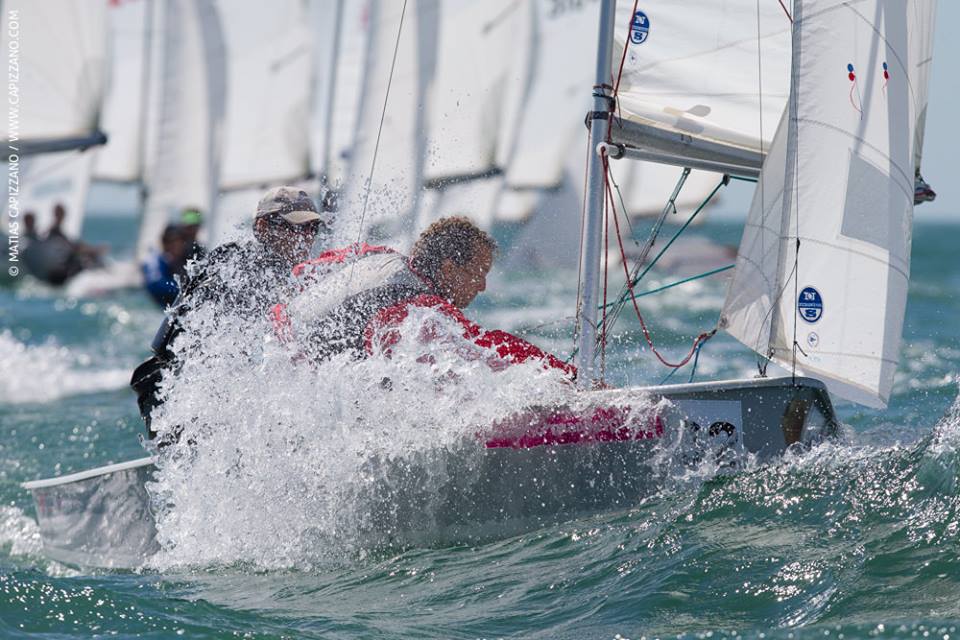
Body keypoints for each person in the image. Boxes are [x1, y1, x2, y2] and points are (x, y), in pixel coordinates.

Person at [130, 186, 329, 440]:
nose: (306, 238)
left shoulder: (285, 274)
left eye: (312, 228)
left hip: (221, 404)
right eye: (296, 228)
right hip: (173, 403)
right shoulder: (235, 269)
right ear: (263, 228)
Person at [286, 216, 574, 377]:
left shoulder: (376, 256)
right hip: (322, 387)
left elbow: (305, 272)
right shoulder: (416, 305)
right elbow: (486, 348)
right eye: (478, 274)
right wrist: (566, 376)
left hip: (290, 356)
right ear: (449, 269)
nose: (482, 287)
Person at [141, 224, 187, 308]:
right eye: (172, 242)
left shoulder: (182, 260)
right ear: (164, 242)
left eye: (180, 242)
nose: (176, 246)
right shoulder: (153, 260)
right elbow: (155, 285)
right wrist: (185, 289)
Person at [171, 207, 205, 276]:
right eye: (189, 227)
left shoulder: (199, 250)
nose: (191, 230)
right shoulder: (174, 243)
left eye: (194, 227)